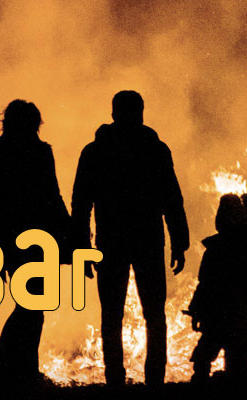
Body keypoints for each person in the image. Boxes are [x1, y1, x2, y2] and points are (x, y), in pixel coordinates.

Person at [69, 90, 189, 385]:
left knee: (112, 315)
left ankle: (115, 380)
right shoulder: (155, 149)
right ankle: (154, 380)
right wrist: (179, 241)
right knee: (154, 315)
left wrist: (82, 248)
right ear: (141, 113)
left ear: (113, 113)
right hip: (148, 241)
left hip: (112, 242)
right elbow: (172, 199)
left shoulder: (96, 151)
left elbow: (81, 204)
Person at [0, 100, 70, 379]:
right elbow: (52, 195)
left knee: (30, 304)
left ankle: (14, 369)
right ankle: (13, 369)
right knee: (33, 305)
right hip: (36, 238)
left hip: (9, 236)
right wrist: (69, 229)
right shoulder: (40, 151)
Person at [187, 194, 247, 381]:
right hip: (235, 312)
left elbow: (204, 283)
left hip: (218, 311)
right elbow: (205, 283)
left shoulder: (215, 249)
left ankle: (202, 377)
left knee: (211, 345)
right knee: (236, 354)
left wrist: (197, 309)